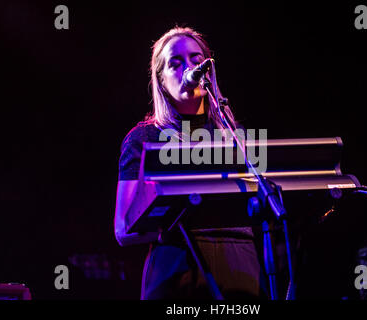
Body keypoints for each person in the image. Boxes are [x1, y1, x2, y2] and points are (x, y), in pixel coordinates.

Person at [114, 26, 267, 299]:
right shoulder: (144, 138)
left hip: (240, 269)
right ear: (161, 80)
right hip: (177, 272)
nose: (190, 68)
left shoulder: (235, 138)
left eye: (197, 61)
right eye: (176, 63)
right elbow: (123, 230)